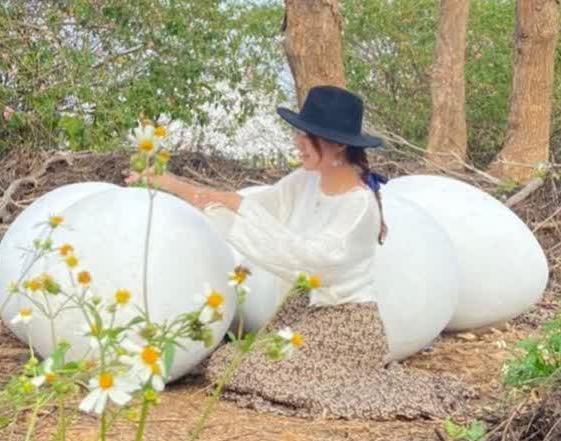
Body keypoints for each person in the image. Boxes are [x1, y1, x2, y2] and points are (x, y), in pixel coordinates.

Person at [126, 85, 469, 419]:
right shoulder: (303, 181)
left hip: (347, 326)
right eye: (299, 134)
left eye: (308, 137)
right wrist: (169, 183)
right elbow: (255, 206)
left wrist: (237, 208)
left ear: (336, 146)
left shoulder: (359, 206)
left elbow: (308, 258)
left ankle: (351, 383)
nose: (298, 144)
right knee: (228, 363)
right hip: (303, 313)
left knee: (247, 369)